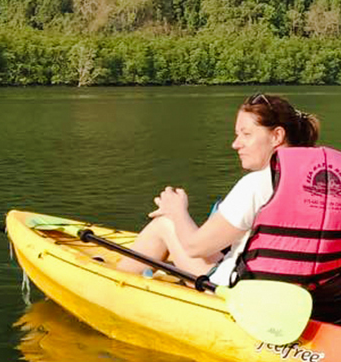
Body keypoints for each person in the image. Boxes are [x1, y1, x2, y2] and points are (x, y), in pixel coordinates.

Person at [115, 93, 320, 287]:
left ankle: (112, 287)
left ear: (277, 136)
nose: (235, 144)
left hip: (238, 290)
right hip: (308, 290)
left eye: (246, 134)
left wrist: (177, 211)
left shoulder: (256, 184)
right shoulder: (321, 182)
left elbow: (194, 248)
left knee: (165, 225)